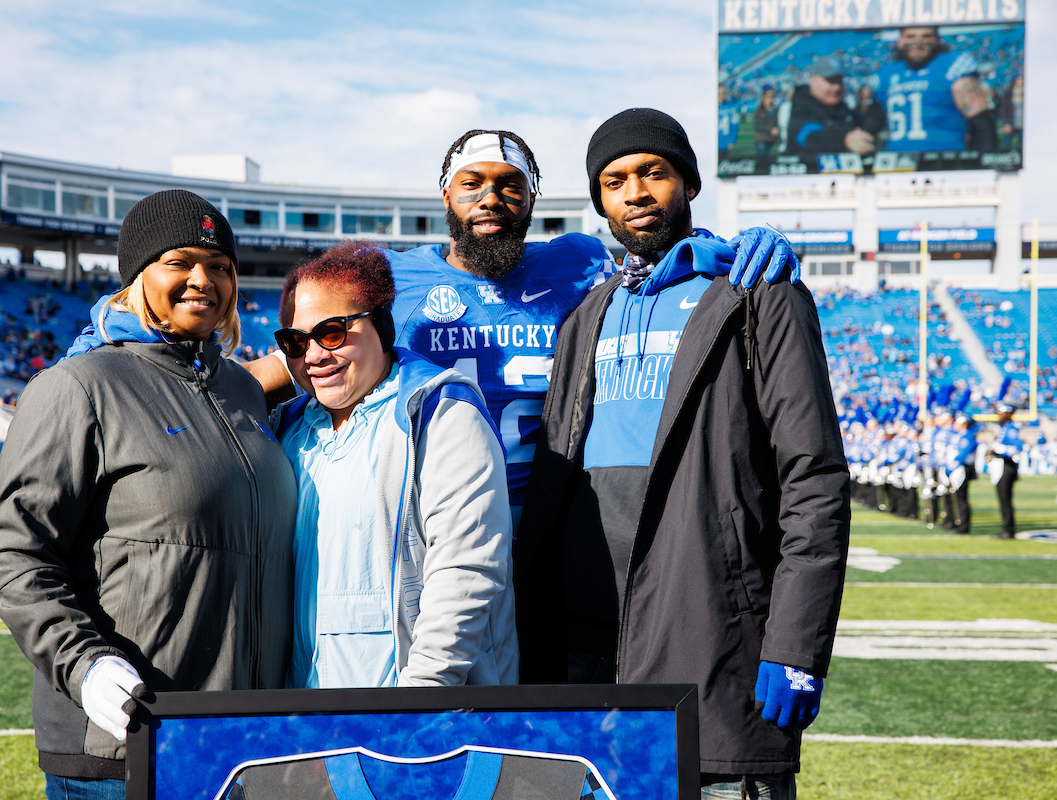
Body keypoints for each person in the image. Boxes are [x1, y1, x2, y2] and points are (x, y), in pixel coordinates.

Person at [515, 108, 850, 798]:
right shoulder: (587, 316)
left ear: (688, 183)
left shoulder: (759, 295)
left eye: (653, 172)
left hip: (711, 642)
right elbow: (553, 491)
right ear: (600, 200)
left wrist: (795, 646)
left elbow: (813, 480)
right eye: (614, 180)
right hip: (584, 655)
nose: (635, 191)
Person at [246, 130, 800, 523]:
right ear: (446, 195)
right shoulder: (393, 275)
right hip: (432, 522)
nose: (491, 198)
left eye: (511, 185)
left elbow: (657, 269)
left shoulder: (576, 263)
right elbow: (301, 361)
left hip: (551, 525)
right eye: (472, 184)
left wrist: (730, 247)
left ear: (532, 197)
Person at [0, 190, 297, 800]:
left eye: (221, 267)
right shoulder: (78, 385)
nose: (203, 280)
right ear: (136, 275)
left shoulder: (242, 390)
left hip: (243, 743)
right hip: (124, 745)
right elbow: (13, 554)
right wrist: (84, 664)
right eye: (179, 262)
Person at [273, 241, 516, 689]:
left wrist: (417, 699)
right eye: (296, 341)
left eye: (332, 332)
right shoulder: (288, 429)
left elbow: (466, 570)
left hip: (413, 719)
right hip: (305, 720)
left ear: (381, 327)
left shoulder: (440, 412)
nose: (313, 355)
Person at [871, 26, 997, 153]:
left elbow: (982, 124)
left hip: (944, 161)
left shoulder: (952, 65)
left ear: (937, 40)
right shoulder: (887, 73)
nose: (918, 42)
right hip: (897, 163)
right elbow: (872, 122)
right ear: (899, 41)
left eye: (926, 36)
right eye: (910, 36)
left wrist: (985, 160)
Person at [786, 57, 876, 163]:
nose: (836, 88)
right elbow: (809, 137)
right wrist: (844, 141)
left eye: (839, 82)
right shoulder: (803, 107)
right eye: (831, 82)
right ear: (814, 80)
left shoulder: (842, 108)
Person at [990, 402, 1023, 538]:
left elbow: (1017, 448)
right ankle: (1007, 528)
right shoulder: (1004, 428)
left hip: (1007, 466)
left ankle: (1008, 529)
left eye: (1002, 413)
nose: (999, 415)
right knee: (1003, 499)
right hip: (1002, 466)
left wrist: (1000, 451)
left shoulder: (1011, 428)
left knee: (1005, 499)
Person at [751, 86, 780, 158]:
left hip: (772, 140)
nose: (770, 99)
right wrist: (771, 129)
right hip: (762, 139)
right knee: (761, 161)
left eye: (771, 97)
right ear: (763, 98)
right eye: (768, 97)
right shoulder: (759, 110)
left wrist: (777, 129)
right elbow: (757, 125)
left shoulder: (775, 110)